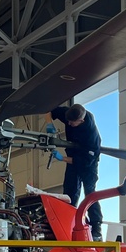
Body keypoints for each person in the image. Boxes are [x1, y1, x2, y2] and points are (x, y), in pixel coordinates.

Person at [47, 103, 103, 241]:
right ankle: (67, 222)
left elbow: (83, 161)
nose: (69, 124)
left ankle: (96, 228)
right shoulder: (69, 114)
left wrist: (62, 158)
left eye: (72, 122)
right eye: (68, 121)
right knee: (69, 192)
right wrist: (49, 124)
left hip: (88, 163)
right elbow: (49, 110)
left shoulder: (92, 137)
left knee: (90, 193)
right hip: (73, 156)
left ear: (81, 121)